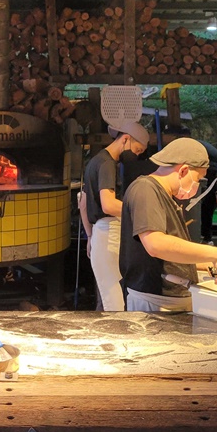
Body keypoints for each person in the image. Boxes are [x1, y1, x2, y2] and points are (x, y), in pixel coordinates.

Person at [119, 137, 217, 312]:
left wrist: (203, 262)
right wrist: (214, 254)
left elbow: (164, 255)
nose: (197, 186)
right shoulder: (145, 189)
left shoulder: (163, 194)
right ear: (183, 171)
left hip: (169, 300)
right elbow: (155, 244)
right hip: (154, 302)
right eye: (198, 179)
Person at [80, 119, 149, 311]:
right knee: (114, 299)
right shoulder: (107, 164)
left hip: (100, 234)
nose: (136, 155)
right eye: (137, 150)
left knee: (108, 295)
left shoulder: (94, 161)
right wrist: (140, 212)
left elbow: (83, 204)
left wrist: (91, 236)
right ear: (125, 139)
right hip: (110, 232)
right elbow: (108, 205)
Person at [173, 125, 217, 244]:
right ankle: (204, 235)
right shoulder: (188, 147)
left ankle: (207, 237)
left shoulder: (196, 146)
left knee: (208, 206)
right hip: (210, 173)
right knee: (204, 206)